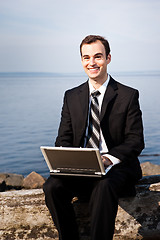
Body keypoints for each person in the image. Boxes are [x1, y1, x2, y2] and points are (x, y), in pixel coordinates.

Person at [43, 35, 144, 240]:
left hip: (117, 168)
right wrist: (66, 156)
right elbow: (64, 138)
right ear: (81, 61)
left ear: (108, 58)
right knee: (52, 186)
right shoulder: (71, 96)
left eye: (97, 57)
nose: (92, 63)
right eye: (86, 57)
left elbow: (135, 140)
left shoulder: (128, 95)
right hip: (82, 168)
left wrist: (107, 159)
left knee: (103, 186)